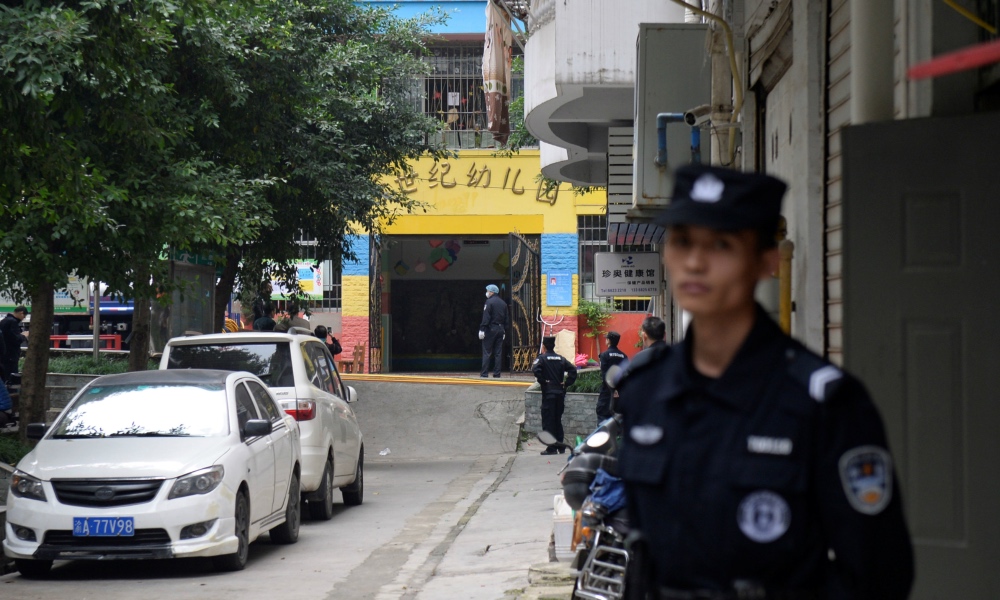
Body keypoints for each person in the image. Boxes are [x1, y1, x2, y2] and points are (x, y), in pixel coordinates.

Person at [616, 165, 913, 599]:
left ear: (766, 261)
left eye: (720, 244)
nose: (695, 262)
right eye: (682, 242)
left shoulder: (825, 403)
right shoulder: (646, 390)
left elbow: (879, 575)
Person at [532, 336, 578, 455]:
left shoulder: (542, 359)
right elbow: (573, 370)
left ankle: (551, 448)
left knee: (548, 421)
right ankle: (561, 447)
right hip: (560, 393)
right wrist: (566, 383)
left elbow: (535, 369)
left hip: (549, 394)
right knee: (557, 420)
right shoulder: (560, 359)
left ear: (544, 346)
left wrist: (543, 381)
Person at [596, 331, 628, 420]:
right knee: (618, 419)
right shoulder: (623, 356)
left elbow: (605, 374)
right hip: (620, 393)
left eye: (606, 338)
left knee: (603, 415)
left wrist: (612, 389)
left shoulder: (604, 355)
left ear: (609, 341)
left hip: (607, 392)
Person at [479, 284, 508, 378]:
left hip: (491, 328)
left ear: (491, 292)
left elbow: (486, 317)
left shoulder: (489, 302)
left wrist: (482, 329)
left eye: (487, 291)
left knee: (487, 351)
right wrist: (504, 330)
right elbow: (507, 318)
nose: (487, 292)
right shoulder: (503, 303)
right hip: (500, 329)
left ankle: (484, 373)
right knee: (498, 353)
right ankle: (497, 373)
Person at [0, 306, 29, 380]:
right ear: (21, 313)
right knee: (11, 377)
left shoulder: (4, 321)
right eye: (24, 316)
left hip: (4, 354)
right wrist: (24, 336)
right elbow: (16, 339)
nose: (23, 319)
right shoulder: (12, 322)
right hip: (11, 355)